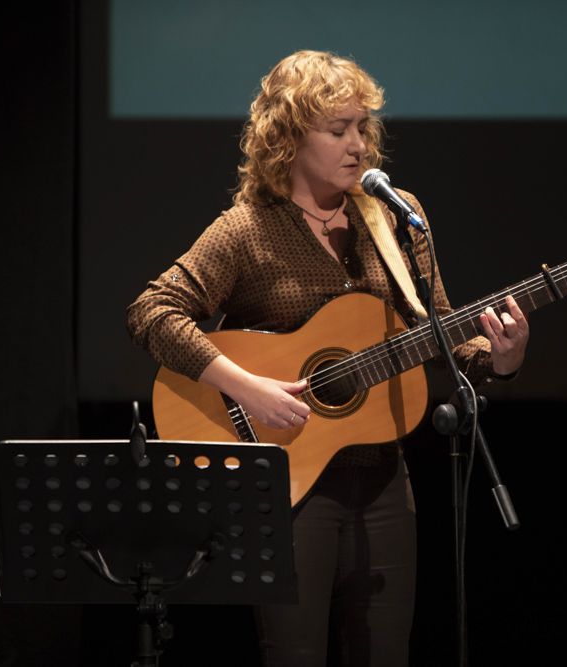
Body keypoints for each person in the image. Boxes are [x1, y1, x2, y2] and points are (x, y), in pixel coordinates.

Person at [126, 50, 528, 666]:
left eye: (364, 128)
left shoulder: (395, 218)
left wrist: (501, 357)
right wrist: (246, 387)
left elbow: (440, 332)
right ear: (287, 139)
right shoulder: (247, 230)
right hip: (288, 485)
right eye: (338, 130)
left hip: (385, 482)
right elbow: (152, 312)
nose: (359, 144)